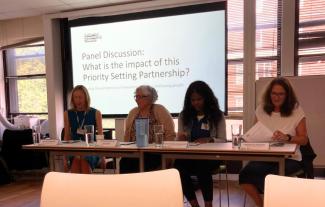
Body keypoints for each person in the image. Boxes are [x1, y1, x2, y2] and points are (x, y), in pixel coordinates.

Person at [239, 77, 308, 207]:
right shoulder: (261, 109)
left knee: (272, 178)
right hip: (265, 156)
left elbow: (304, 140)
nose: (276, 97)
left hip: (290, 158)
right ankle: (262, 205)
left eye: (281, 94)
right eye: (274, 93)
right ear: (269, 94)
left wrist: (288, 137)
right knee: (244, 175)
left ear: (287, 95)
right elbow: (255, 132)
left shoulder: (296, 110)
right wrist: (250, 138)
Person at [174, 81, 226, 207]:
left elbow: (223, 140)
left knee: (202, 165)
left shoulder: (217, 115)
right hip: (190, 156)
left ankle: (208, 204)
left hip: (212, 157)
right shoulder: (183, 115)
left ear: (207, 98)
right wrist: (179, 137)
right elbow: (179, 142)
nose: (196, 102)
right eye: (193, 100)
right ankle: (194, 204)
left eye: (199, 99)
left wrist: (210, 140)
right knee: (178, 167)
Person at [121, 85, 175, 173]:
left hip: (156, 152)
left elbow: (170, 134)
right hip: (135, 151)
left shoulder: (160, 110)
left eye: (141, 96)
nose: (137, 99)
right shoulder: (133, 112)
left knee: (148, 162)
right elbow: (127, 135)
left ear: (151, 98)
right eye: (136, 96)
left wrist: (169, 156)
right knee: (125, 162)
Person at [63, 85, 103, 173]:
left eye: (80, 97)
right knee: (76, 160)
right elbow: (67, 135)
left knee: (84, 160)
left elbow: (100, 135)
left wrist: (103, 156)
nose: (78, 100)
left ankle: (86, 186)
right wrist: (65, 157)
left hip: (91, 149)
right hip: (74, 149)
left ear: (86, 98)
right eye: (75, 97)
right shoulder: (67, 113)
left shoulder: (96, 113)